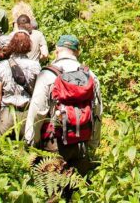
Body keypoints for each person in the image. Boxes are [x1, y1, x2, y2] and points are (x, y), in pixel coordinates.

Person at [25, 35, 102, 188]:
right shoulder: (91, 76)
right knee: (77, 191)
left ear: (57, 51)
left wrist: (31, 141)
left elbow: (37, 111)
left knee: (53, 191)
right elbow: (98, 112)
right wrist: (93, 143)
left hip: (54, 142)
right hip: (81, 143)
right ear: (77, 51)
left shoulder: (47, 74)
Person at [0, 32, 41, 138]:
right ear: (29, 45)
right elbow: (39, 94)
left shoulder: (3, 66)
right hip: (27, 114)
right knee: (26, 151)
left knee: (0, 150)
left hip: (7, 114)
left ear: (12, 45)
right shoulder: (36, 66)